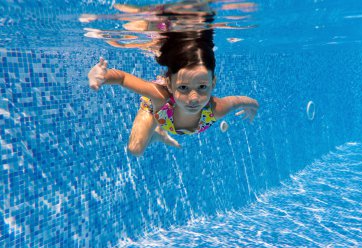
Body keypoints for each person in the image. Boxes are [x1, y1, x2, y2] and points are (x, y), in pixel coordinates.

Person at [88, 17, 259, 157]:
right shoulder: (159, 97)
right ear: (170, 84)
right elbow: (122, 78)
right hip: (155, 109)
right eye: (183, 87)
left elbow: (240, 100)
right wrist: (102, 76)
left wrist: (253, 106)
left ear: (213, 83)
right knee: (135, 150)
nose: (194, 98)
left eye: (202, 87)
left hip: (168, 117)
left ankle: (159, 133)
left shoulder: (216, 108)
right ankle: (157, 133)